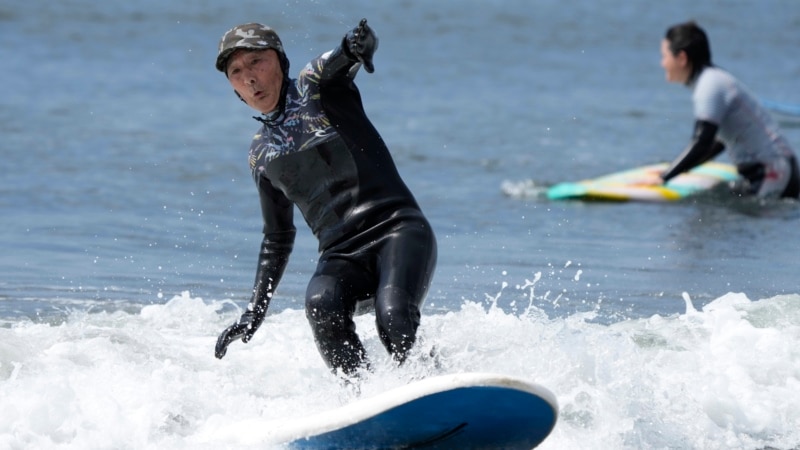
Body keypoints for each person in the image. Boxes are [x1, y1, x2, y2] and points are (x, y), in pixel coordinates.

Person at [212, 19, 437, 377]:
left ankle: (433, 383)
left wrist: (358, 45)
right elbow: (277, 237)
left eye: (257, 61)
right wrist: (254, 310)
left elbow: (346, 54)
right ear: (233, 87)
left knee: (392, 315)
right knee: (321, 304)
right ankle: (363, 401)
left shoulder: (314, 85)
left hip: (397, 230)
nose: (249, 77)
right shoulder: (261, 155)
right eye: (236, 71)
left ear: (280, 61)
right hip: (341, 255)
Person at [651, 21, 799, 198]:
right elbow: (717, 143)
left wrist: (664, 177)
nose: (662, 63)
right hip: (776, 170)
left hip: (772, 172)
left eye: (664, 56)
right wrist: (680, 169)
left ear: (682, 58)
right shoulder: (713, 81)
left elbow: (701, 142)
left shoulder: (709, 85)